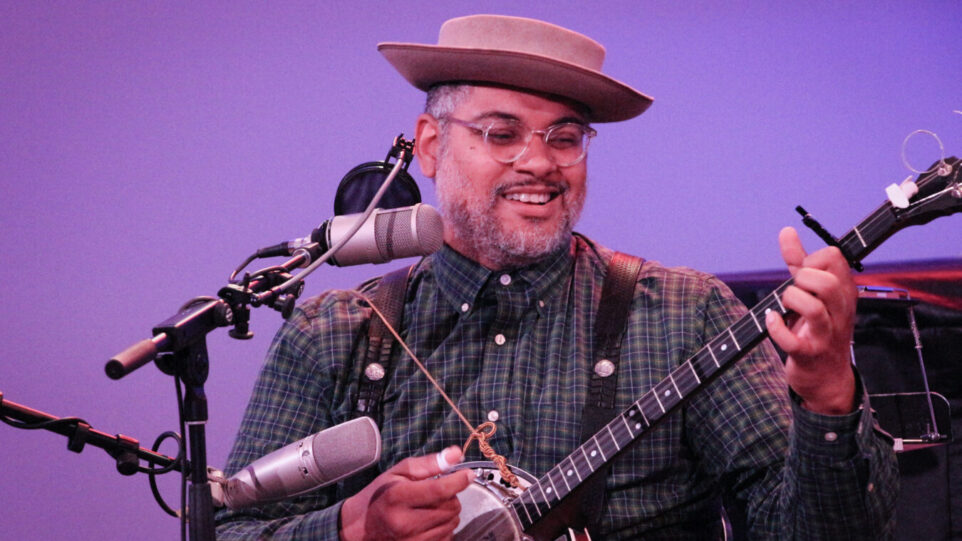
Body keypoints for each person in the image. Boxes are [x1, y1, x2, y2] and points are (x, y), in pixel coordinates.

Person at [216, 14, 898, 540]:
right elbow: (230, 530)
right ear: (429, 144)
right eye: (501, 133)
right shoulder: (332, 332)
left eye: (564, 137)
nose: (539, 162)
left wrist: (829, 396)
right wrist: (352, 526)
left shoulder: (687, 316)